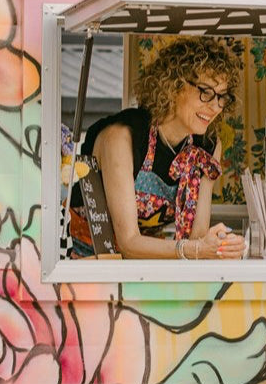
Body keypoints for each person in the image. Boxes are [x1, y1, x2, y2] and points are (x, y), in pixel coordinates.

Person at [69, 36, 246, 259]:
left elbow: (197, 238)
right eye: (206, 92)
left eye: (222, 97)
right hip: (82, 256)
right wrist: (194, 250)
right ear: (174, 85)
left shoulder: (208, 147)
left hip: (144, 262)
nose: (215, 106)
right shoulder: (122, 136)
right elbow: (129, 242)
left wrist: (220, 245)